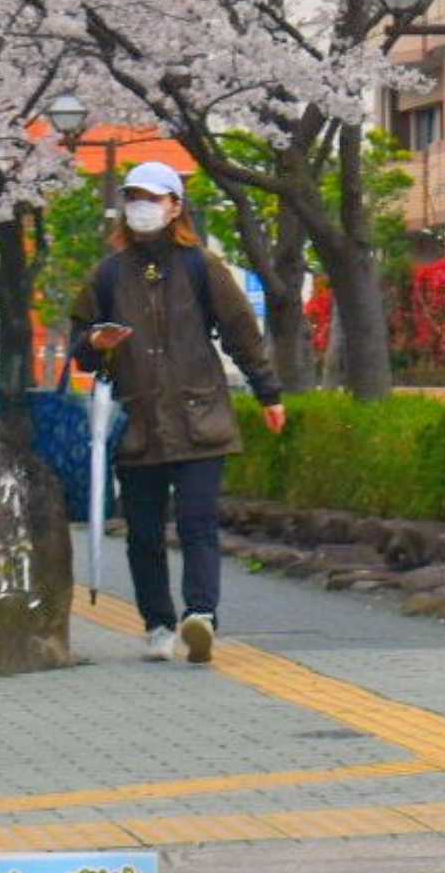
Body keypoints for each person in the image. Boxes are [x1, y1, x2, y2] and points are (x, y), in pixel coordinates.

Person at [70, 160, 286, 664]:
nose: (141, 207)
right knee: (143, 532)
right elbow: (80, 344)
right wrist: (95, 342)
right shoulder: (106, 275)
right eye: (134, 197)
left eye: (152, 197)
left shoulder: (201, 266)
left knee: (197, 524)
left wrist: (268, 392)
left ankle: (201, 617)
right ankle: (158, 623)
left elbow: (240, 332)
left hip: (200, 417)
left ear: (174, 206)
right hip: (136, 422)